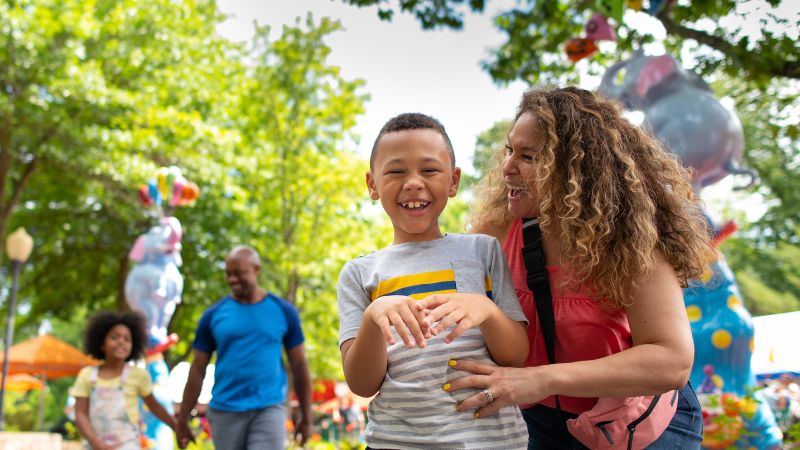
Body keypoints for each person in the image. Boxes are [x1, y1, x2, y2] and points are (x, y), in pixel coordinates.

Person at [448, 86, 714, 448]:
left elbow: (672, 361)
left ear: (576, 168)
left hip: (636, 422)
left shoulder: (630, 242)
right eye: (510, 150)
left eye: (529, 157)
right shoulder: (497, 231)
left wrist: (543, 379)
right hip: (543, 423)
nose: (508, 166)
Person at [337, 112, 530, 449]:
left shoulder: (483, 251)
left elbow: (515, 356)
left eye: (429, 170)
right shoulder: (359, 273)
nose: (413, 182)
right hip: (396, 441)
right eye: (397, 171)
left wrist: (484, 309)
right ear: (372, 184)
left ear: (453, 182)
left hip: (491, 441)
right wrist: (373, 317)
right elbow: (362, 384)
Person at [176, 245, 312, 450]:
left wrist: (306, 417)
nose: (232, 279)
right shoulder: (213, 315)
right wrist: (182, 419)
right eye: (228, 274)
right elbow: (197, 369)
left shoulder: (283, 311)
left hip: (269, 407)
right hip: (225, 411)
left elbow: (300, 365)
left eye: (238, 273)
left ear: (256, 269)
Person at [71, 310, 177, 450]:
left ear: (133, 346)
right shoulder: (87, 375)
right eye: (114, 337)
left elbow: (155, 407)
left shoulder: (138, 375)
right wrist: (95, 442)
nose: (121, 341)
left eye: (127, 339)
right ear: (102, 344)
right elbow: (80, 414)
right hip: (94, 444)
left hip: (128, 445)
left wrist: (177, 427)